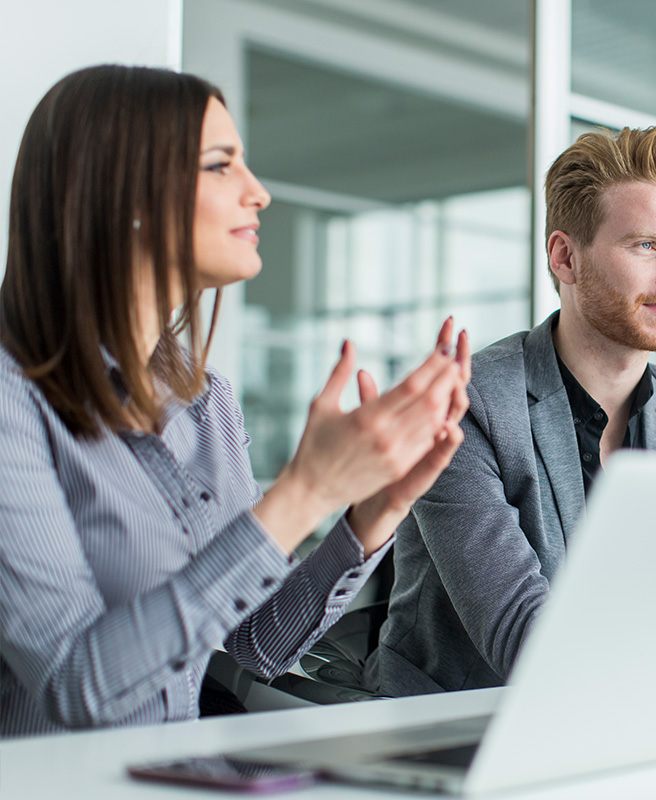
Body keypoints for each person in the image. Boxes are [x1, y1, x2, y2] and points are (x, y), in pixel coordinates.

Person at [0, 64, 470, 738]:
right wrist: (306, 490)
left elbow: (253, 643)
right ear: (124, 191)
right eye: (221, 166)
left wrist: (372, 510)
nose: (259, 193)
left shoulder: (203, 398)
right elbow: (81, 687)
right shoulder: (12, 399)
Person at [364, 126, 656, 697]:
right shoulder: (468, 404)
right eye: (645, 246)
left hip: (637, 714)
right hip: (456, 732)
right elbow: (525, 641)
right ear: (565, 257)